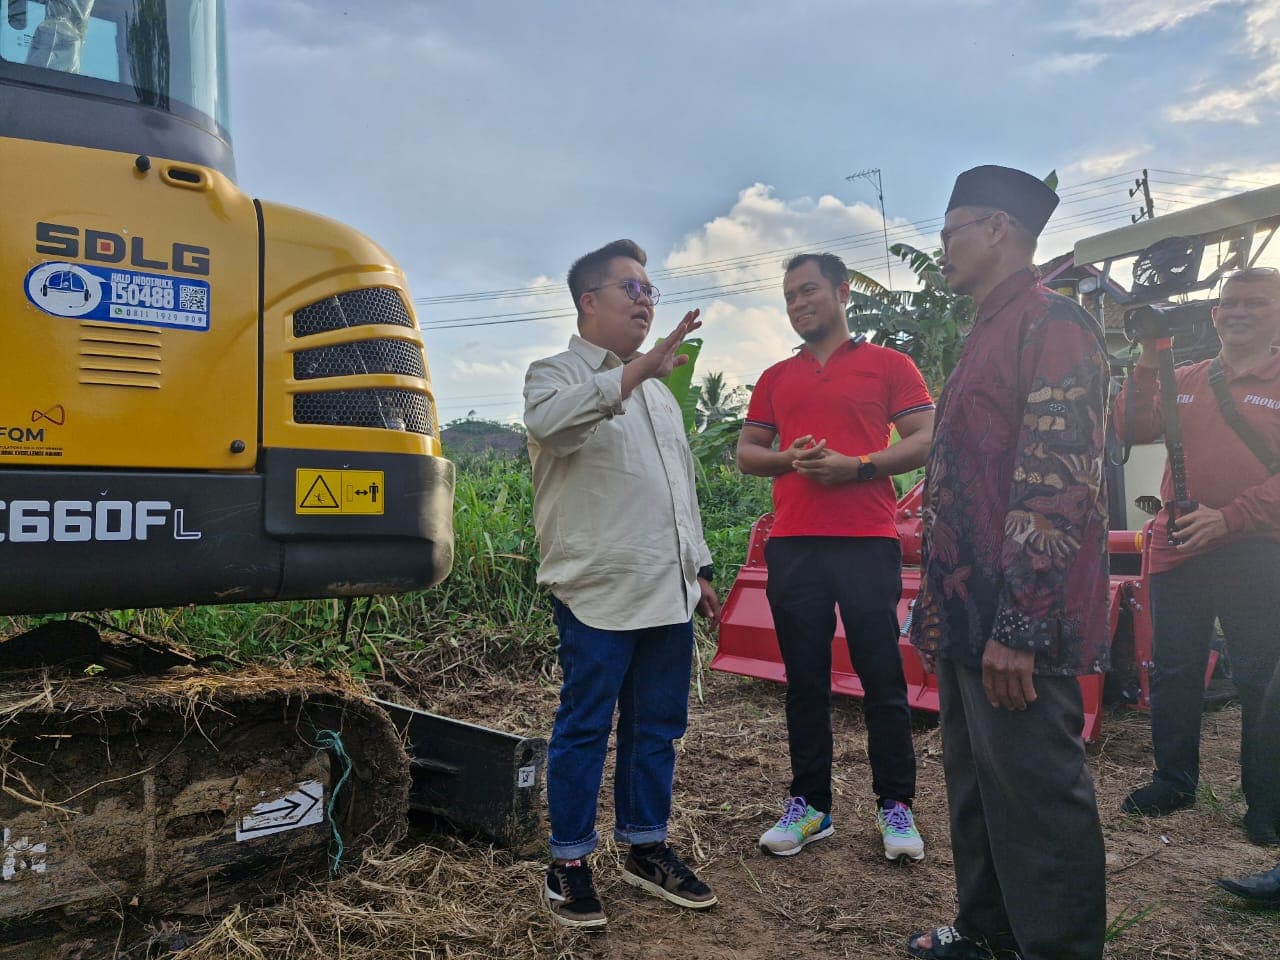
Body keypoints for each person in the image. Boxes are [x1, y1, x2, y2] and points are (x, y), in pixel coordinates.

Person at [907, 166, 1111, 960]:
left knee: (1037, 795)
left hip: (1015, 614)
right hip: (968, 611)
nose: (943, 249)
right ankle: (986, 931)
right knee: (976, 783)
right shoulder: (988, 328)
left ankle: (1059, 948)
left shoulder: (1051, 322)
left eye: (951, 233)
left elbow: (1059, 481)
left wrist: (1019, 626)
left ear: (996, 229)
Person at [523, 239, 721, 930]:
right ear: (589, 300)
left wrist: (699, 567)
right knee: (585, 727)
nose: (645, 301)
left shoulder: (661, 398)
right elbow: (553, 427)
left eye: (649, 290)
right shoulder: (554, 374)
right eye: (630, 288)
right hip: (598, 591)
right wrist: (635, 372)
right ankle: (569, 861)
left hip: (668, 589)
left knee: (656, 727)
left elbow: (679, 490)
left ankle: (645, 846)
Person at [736, 252, 935, 861]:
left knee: (881, 676)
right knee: (804, 681)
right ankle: (810, 806)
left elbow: (928, 438)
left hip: (868, 539)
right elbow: (748, 452)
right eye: (790, 296)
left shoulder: (889, 365)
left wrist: (860, 466)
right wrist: (788, 459)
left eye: (809, 290)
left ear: (843, 292)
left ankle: (895, 805)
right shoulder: (776, 377)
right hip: (794, 542)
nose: (798, 304)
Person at [1114, 266, 1280, 846]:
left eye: (1255, 303)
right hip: (1179, 542)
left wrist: (1229, 517)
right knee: (1174, 668)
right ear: (1214, 314)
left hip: (1255, 547)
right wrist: (1148, 354)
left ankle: (1267, 803)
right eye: (1230, 303)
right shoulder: (1184, 376)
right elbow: (1130, 425)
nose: (1239, 312)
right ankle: (1173, 781)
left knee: (1260, 676)